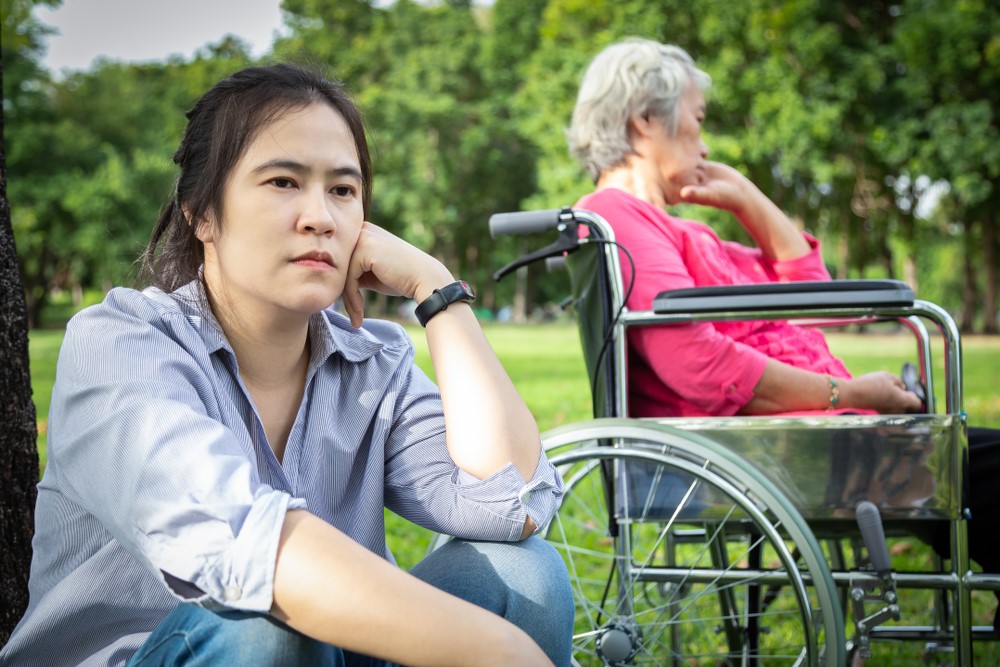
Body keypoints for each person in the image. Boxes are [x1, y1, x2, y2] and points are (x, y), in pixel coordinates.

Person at [0, 63, 573, 667]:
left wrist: (437, 292)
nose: (320, 216)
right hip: (164, 653)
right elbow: (245, 550)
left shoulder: (374, 363)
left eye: (343, 190)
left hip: (325, 651)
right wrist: (497, 649)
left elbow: (513, 504)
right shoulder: (118, 346)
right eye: (282, 182)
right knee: (264, 623)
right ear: (201, 213)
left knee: (523, 575)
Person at [565, 36, 1000, 608]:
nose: (706, 140)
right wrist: (846, 391)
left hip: (803, 434)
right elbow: (693, 360)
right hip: (770, 447)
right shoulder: (616, 216)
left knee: (979, 467)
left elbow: (820, 297)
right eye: (698, 120)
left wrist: (748, 198)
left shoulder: (683, 231)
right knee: (983, 472)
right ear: (646, 119)